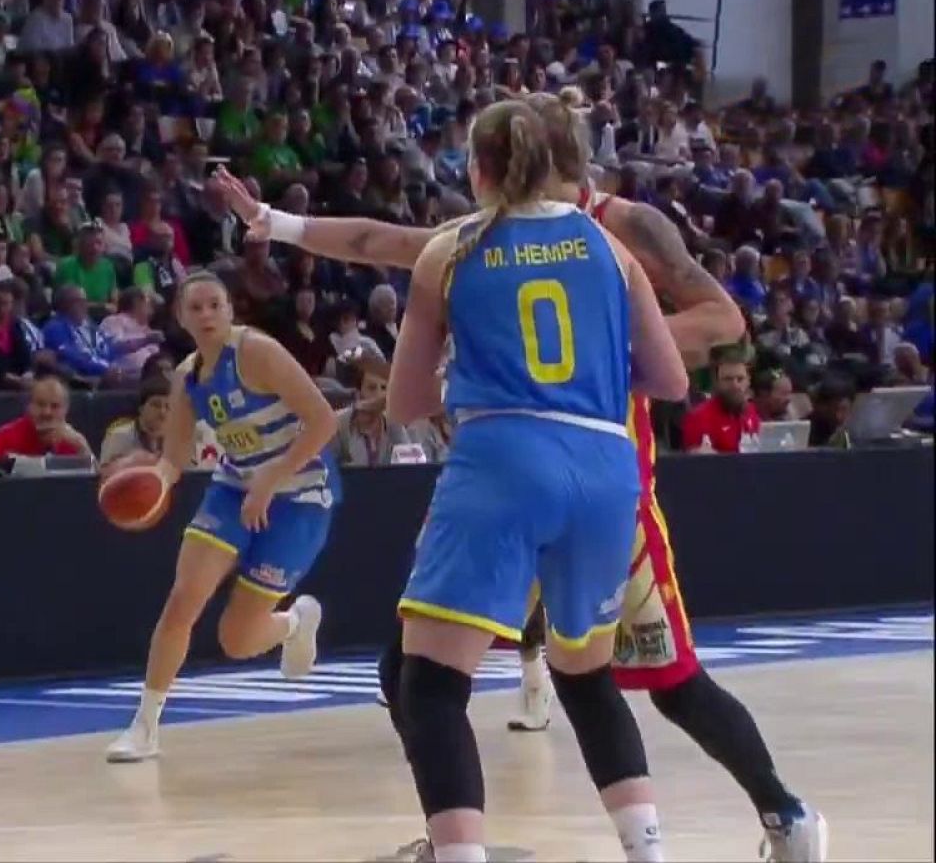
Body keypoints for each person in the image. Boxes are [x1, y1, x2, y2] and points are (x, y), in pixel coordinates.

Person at [221, 91, 828, 861]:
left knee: (664, 682)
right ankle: (504, 829)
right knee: (433, 667)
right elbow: (378, 237)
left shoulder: (620, 225)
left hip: (568, 476)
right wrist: (275, 223)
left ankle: (782, 811)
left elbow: (725, 322)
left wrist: (572, 356)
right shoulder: (566, 244)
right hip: (595, 480)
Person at [381, 100, 689, 862]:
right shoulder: (608, 247)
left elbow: (405, 404)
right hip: (604, 469)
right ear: (563, 163)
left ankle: (457, 853)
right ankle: (648, 851)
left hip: (503, 460)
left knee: (430, 683)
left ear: (476, 169)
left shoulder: (451, 249)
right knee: (585, 677)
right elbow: (672, 381)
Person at [104, 271, 338, 765]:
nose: (207, 315)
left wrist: (272, 478)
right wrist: (150, 485)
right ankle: (145, 726)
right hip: (233, 489)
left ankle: (296, 621)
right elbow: (173, 459)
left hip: (300, 494)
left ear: (231, 310)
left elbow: (322, 420)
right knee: (184, 598)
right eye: (196, 308)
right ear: (181, 318)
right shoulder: (187, 376)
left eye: (216, 305)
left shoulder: (258, 352)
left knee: (236, 640)